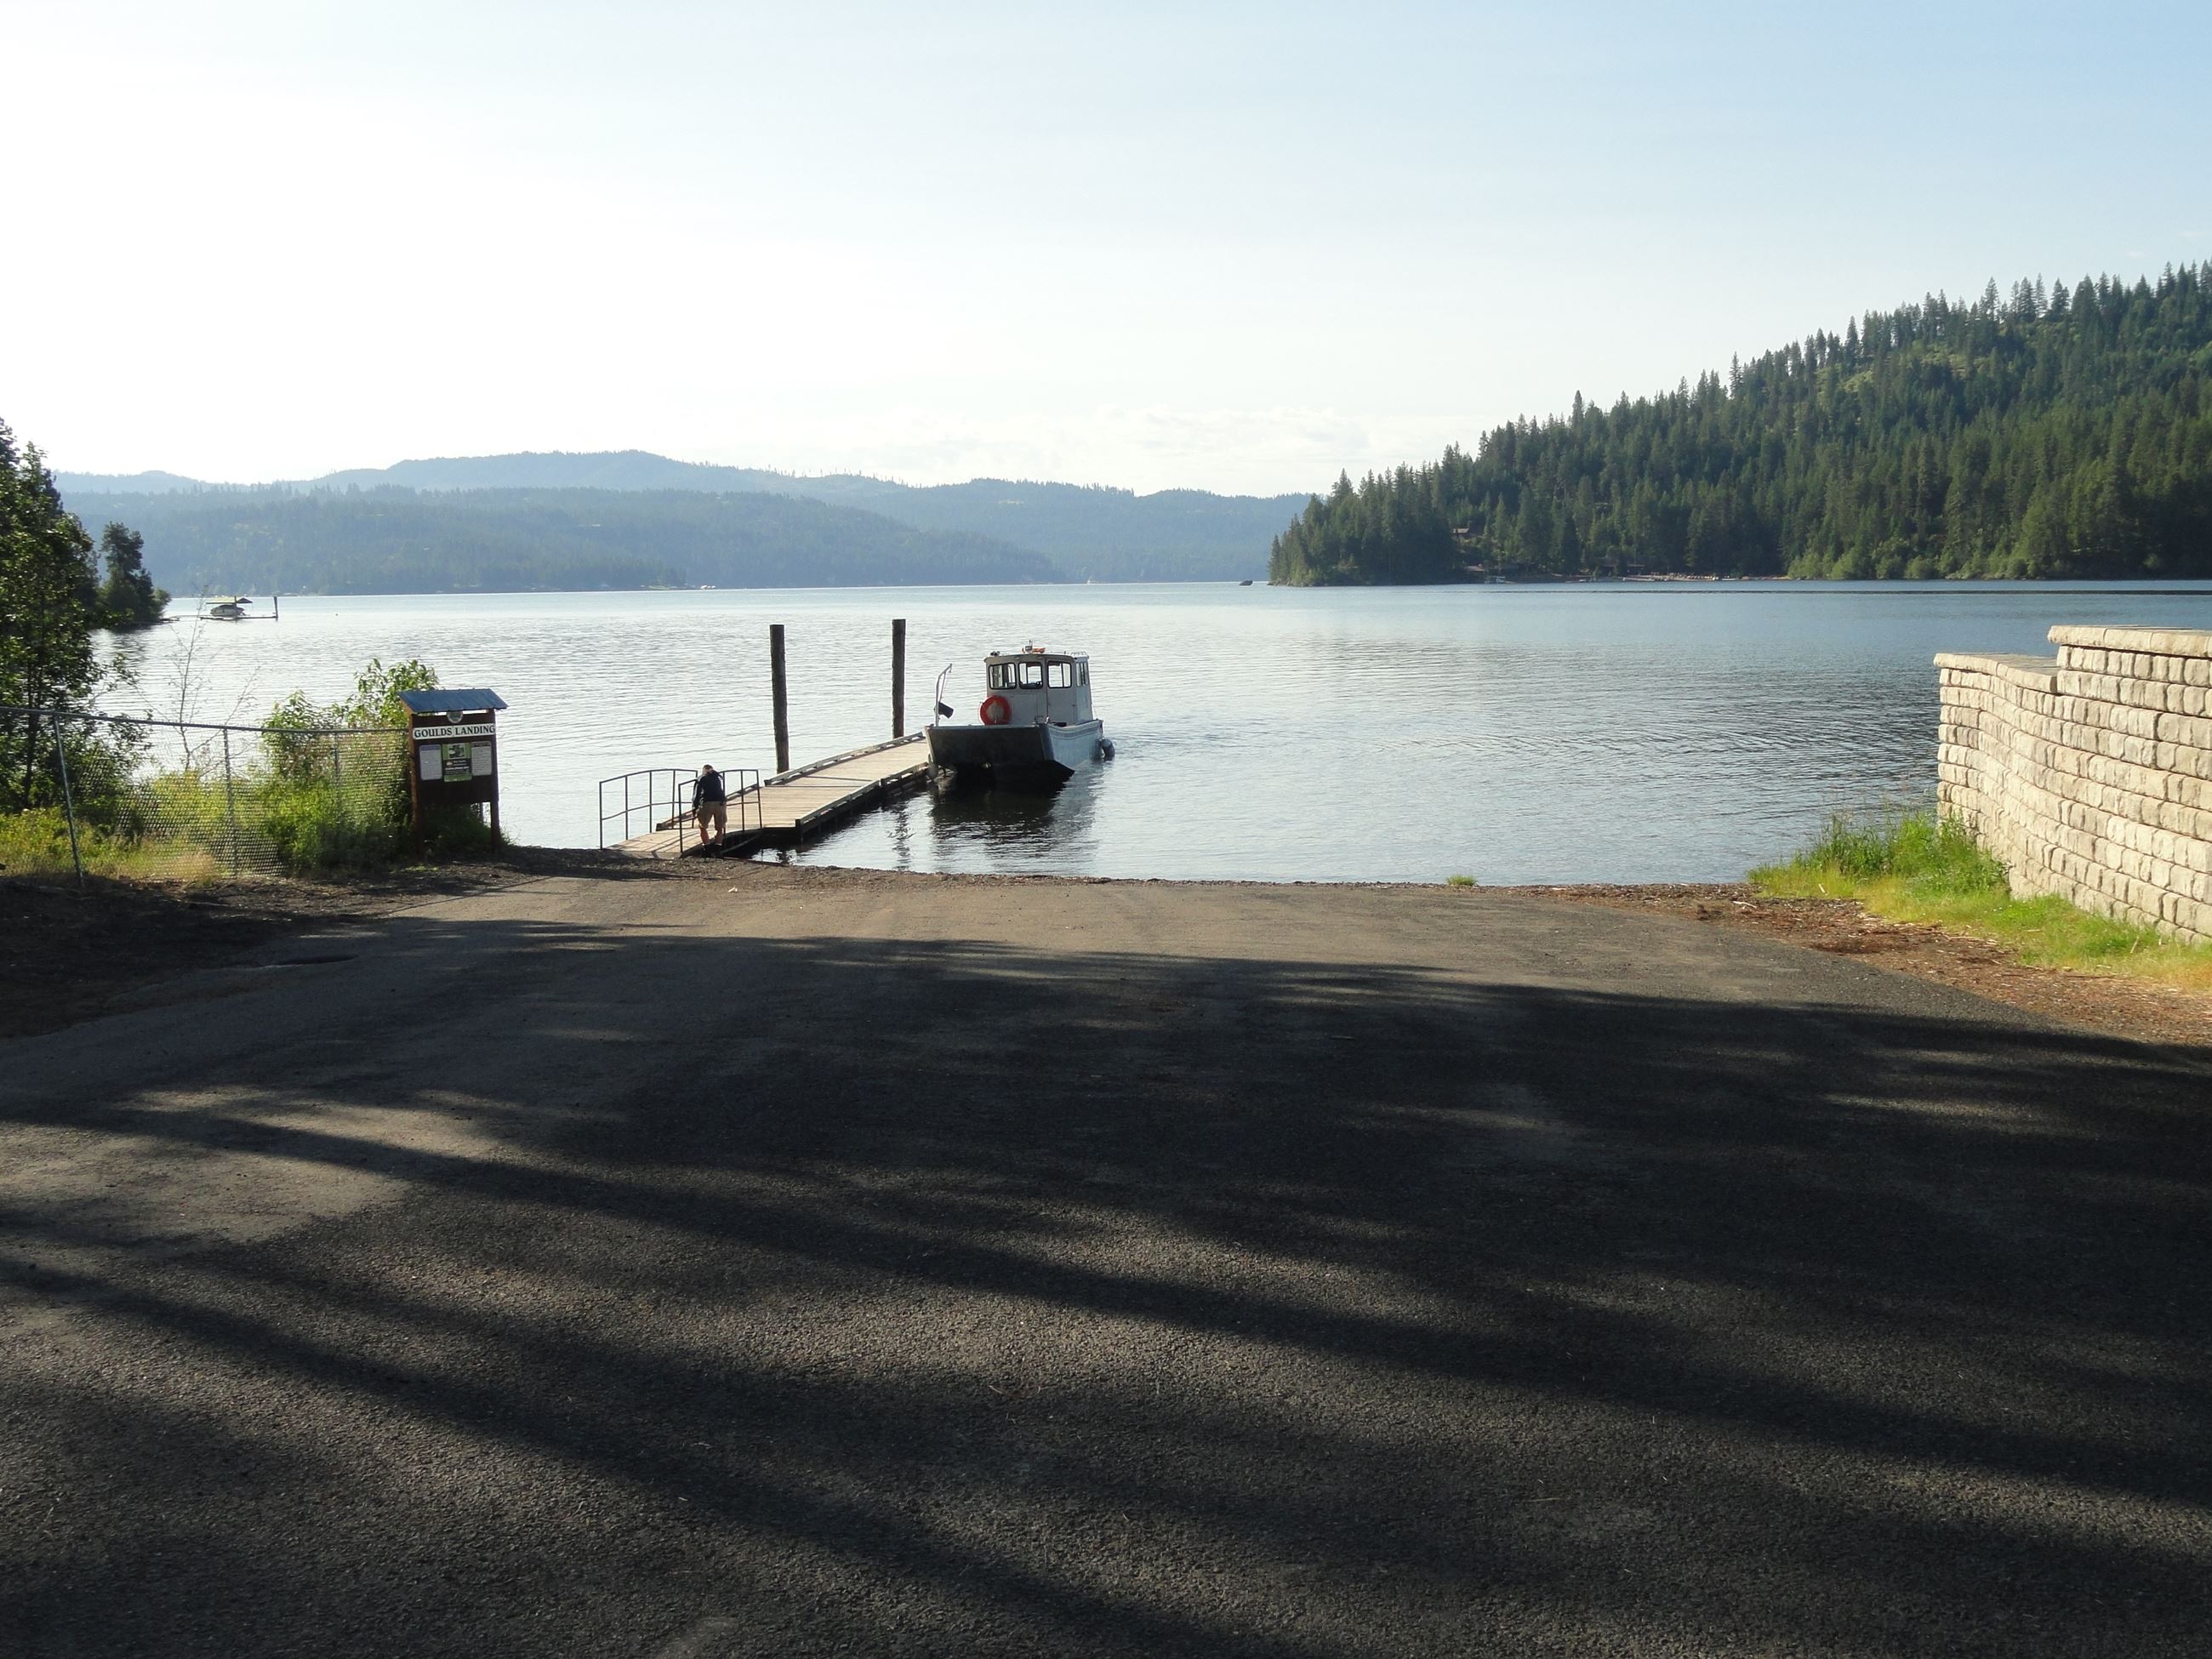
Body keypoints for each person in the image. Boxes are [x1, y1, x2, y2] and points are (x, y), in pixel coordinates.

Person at [693, 762, 727, 847]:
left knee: (703, 827)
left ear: (703, 771)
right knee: (719, 828)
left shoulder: (701, 778)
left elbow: (696, 795)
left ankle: (707, 848)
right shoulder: (717, 777)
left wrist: (694, 808)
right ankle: (718, 848)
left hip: (707, 803)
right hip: (720, 803)